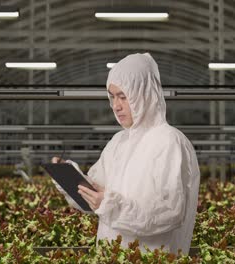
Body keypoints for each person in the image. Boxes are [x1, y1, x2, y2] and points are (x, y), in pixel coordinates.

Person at [52, 53, 200, 255]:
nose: (115, 105)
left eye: (123, 96)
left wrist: (111, 206)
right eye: (112, 97)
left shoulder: (168, 141)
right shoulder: (118, 143)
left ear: (145, 94)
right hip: (112, 256)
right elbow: (97, 194)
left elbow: (170, 212)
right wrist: (69, 179)